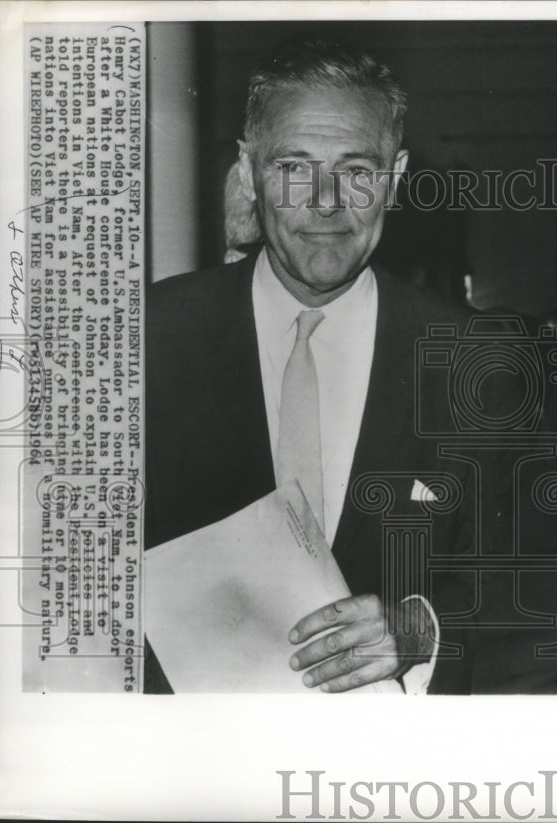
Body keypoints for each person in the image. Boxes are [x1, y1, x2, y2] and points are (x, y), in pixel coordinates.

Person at [145, 39, 477, 694]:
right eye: (295, 167)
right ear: (247, 172)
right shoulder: (146, 337)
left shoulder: (475, 358)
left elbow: (541, 585)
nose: (325, 203)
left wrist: (421, 630)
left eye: (357, 170)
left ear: (397, 173)